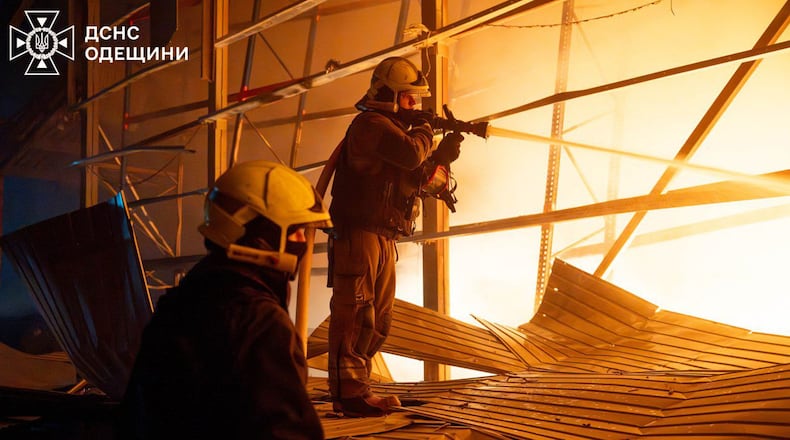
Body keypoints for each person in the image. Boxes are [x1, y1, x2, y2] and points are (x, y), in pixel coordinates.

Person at [116, 161, 331, 439]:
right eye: (295, 230)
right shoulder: (259, 321)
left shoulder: (180, 303)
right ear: (259, 235)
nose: (303, 241)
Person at [326, 56, 464, 417]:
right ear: (389, 94)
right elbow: (409, 153)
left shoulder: (393, 134)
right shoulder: (371, 125)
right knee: (354, 312)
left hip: (383, 236)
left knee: (379, 320)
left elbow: (415, 177)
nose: (415, 106)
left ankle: (359, 386)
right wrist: (425, 132)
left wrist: (442, 158)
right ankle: (349, 394)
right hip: (359, 234)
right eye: (409, 99)